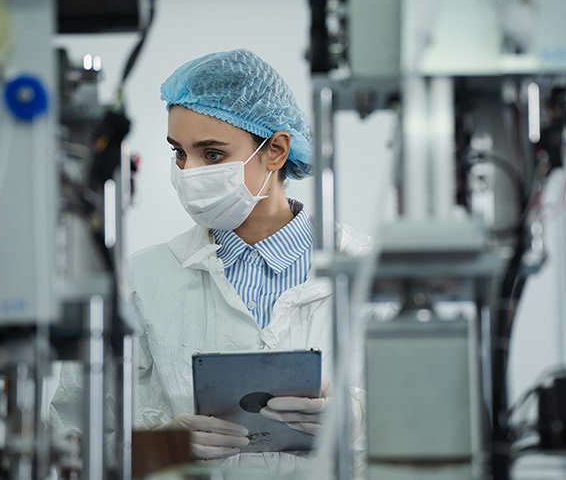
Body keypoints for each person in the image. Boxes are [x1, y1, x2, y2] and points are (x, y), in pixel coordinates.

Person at [50, 49, 371, 474]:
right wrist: (159, 447)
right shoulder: (139, 282)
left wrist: (360, 419)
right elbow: (72, 439)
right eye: (179, 153)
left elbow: (442, 417)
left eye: (212, 154)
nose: (189, 173)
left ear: (275, 150)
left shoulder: (369, 272)